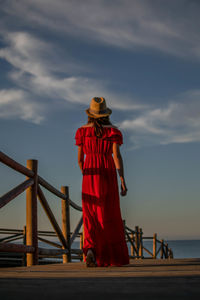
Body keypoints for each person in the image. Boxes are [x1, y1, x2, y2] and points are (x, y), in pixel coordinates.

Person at [75, 97, 129, 267]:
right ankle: (108, 255)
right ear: (105, 114)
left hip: (90, 175)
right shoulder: (113, 132)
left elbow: (79, 160)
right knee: (108, 213)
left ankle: (90, 249)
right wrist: (122, 179)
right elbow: (117, 156)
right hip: (107, 173)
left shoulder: (82, 132)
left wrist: (87, 175)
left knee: (90, 214)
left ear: (90, 114)